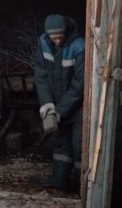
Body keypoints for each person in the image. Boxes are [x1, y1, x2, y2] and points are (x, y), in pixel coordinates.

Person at [34, 14, 85, 194]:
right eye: (52, 37)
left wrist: (60, 110)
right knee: (61, 145)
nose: (56, 40)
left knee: (80, 147)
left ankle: (84, 189)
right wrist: (47, 104)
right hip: (55, 104)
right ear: (47, 34)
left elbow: (79, 85)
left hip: (78, 107)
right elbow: (41, 76)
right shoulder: (43, 43)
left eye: (59, 36)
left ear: (66, 32)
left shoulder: (79, 47)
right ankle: (58, 184)